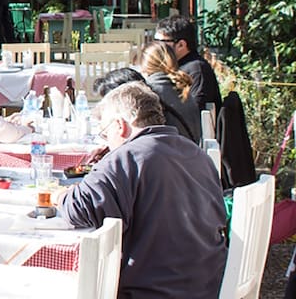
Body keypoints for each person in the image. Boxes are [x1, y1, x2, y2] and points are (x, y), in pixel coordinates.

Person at [58, 82, 228, 297]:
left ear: (119, 125)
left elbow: (78, 210)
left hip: (152, 290)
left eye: (104, 133)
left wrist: (61, 195)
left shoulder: (126, 158)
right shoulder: (196, 153)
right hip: (207, 284)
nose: (107, 142)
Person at [155, 16, 222, 112]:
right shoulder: (177, 65)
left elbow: (195, 112)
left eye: (161, 42)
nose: (156, 47)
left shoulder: (196, 70)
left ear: (181, 45)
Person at [138, 41, 201, 143]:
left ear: (144, 65)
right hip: (190, 151)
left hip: (170, 155)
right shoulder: (183, 88)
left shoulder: (149, 93)